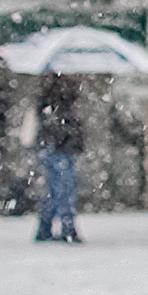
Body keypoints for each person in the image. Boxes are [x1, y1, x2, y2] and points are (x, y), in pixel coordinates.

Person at [31, 73, 88, 243]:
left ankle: (46, 228)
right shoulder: (60, 97)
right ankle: (66, 229)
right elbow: (60, 125)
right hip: (60, 148)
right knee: (63, 190)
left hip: (56, 148)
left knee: (55, 190)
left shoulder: (52, 96)